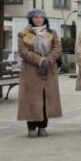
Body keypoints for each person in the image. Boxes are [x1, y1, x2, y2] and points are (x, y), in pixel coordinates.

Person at [17, 9, 62, 138]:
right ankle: (31, 127)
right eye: (35, 17)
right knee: (31, 99)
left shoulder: (51, 33)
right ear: (31, 19)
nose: (38, 19)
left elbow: (57, 48)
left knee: (45, 98)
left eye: (41, 17)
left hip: (48, 70)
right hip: (31, 71)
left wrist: (49, 59)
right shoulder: (23, 34)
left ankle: (42, 127)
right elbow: (23, 51)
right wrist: (40, 60)